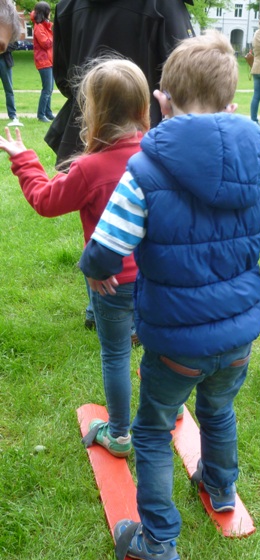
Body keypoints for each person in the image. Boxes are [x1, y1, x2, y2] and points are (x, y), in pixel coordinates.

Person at [80, 32, 260, 560]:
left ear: (163, 101)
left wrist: (97, 274)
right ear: (231, 103)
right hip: (238, 340)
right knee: (218, 410)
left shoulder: (145, 173)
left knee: (154, 430)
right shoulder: (258, 169)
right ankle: (221, 489)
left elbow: (106, 248)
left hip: (175, 343)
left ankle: (157, 540)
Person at [0, 57, 151, 458]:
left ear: (93, 111)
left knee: (116, 353)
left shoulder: (89, 167)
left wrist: (23, 158)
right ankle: (160, 415)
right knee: (156, 346)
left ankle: (119, 434)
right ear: (143, 107)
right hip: (158, 278)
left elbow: (46, 201)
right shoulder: (159, 156)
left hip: (110, 281)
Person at [44, 0, 194, 330]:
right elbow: (184, 70)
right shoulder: (162, 2)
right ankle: (123, 305)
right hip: (145, 130)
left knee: (101, 207)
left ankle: (107, 303)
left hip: (93, 123)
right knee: (146, 214)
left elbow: (65, 73)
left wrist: (95, 107)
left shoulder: (69, 3)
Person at [45, 0, 194, 164]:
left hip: (84, 138)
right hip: (145, 144)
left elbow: (64, 79)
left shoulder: (67, 5)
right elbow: (188, 82)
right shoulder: (164, 4)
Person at [30, 2, 54, 123]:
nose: (50, 13)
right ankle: (41, 115)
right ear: (45, 12)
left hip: (50, 61)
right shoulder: (39, 27)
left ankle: (48, 113)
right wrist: (54, 36)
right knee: (46, 89)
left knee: (50, 89)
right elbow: (46, 43)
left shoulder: (45, 26)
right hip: (43, 62)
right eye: (49, 11)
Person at [0, 42, 23, 126]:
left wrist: (2, 49)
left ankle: (12, 115)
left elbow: (15, 44)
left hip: (5, 61)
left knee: (9, 90)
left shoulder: (8, 30)